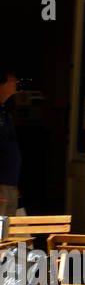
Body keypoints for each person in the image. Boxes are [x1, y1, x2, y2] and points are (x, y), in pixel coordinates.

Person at [0, 67, 20, 218]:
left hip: (9, 181)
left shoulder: (5, 112)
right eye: (12, 79)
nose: (16, 82)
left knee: (7, 231)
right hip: (2, 184)